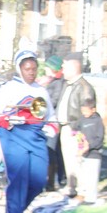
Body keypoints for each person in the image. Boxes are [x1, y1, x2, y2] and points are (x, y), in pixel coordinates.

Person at [0, 49, 58, 213]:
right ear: (20, 69)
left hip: (35, 136)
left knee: (38, 181)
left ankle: (16, 211)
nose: (31, 72)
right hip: (14, 135)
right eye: (27, 69)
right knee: (18, 179)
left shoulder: (41, 90)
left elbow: (50, 116)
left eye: (34, 69)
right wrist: (8, 120)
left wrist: (50, 128)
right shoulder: (9, 88)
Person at [55, 52, 96, 199]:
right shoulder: (68, 85)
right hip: (65, 127)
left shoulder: (84, 87)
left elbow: (87, 111)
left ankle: (80, 189)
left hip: (76, 129)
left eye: (64, 67)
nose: (62, 70)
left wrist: (81, 131)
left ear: (73, 67)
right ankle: (71, 186)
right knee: (68, 159)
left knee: (76, 159)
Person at [39, 56, 66, 191]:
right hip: (47, 120)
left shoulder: (58, 83)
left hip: (52, 121)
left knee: (51, 153)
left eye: (47, 67)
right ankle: (52, 181)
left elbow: (53, 101)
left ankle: (52, 182)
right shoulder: (53, 82)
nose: (45, 70)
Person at [74, 97, 104, 204]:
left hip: (94, 153)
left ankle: (91, 198)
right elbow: (76, 129)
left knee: (92, 176)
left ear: (93, 110)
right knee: (83, 176)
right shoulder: (82, 119)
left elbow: (100, 139)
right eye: (83, 111)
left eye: (86, 111)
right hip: (83, 152)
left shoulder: (97, 121)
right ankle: (82, 194)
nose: (84, 113)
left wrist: (89, 146)